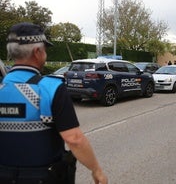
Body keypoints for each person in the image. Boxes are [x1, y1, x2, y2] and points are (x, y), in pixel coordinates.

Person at [0, 22, 108, 184]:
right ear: (37, 52)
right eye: (45, 50)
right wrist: (97, 170)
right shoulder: (50, 88)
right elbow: (74, 139)